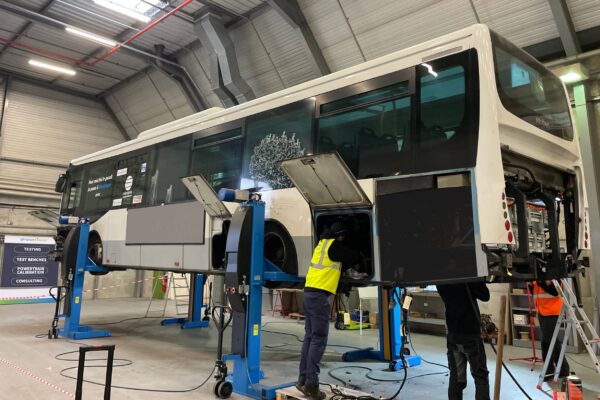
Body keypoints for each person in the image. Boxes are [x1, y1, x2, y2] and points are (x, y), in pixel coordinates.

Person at [297, 221, 361, 400]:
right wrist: (360, 254)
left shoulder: (322, 245)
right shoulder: (334, 246)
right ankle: (311, 386)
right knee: (318, 339)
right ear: (340, 236)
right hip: (318, 298)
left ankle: (302, 380)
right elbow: (353, 255)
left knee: (309, 338)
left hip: (308, 294)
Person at [436, 281, 490, 400]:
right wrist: (477, 279)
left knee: (457, 378)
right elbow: (485, 295)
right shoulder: (467, 278)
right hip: (470, 334)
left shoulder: (441, 279)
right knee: (480, 376)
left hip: (453, 334)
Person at [530, 280, 570, 380]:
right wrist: (531, 285)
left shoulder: (552, 274)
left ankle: (548, 371)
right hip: (542, 311)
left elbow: (554, 291)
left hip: (552, 312)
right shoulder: (537, 276)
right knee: (553, 341)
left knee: (546, 342)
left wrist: (540, 282)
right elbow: (536, 292)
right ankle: (563, 369)